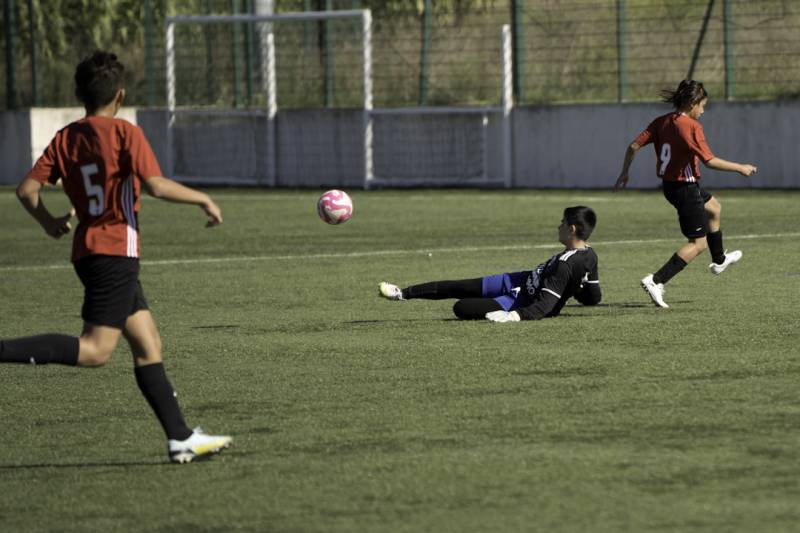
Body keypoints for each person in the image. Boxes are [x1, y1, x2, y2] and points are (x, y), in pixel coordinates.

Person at [0, 51, 232, 463]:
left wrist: (49, 223)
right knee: (95, 350)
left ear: (80, 95)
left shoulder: (66, 137)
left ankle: (180, 437)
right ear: (120, 95)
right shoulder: (125, 134)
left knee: (147, 342)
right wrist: (203, 198)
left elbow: (26, 191)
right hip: (115, 252)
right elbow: (156, 185)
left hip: (87, 252)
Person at [613, 79, 757, 308]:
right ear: (692, 103)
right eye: (702, 105)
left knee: (715, 208)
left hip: (671, 187)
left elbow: (633, 146)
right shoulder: (691, 126)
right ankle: (656, 280)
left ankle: (719, 260)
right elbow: (709, 161)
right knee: (698, 244)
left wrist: (624, 172)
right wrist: (741, 168)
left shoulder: (662, 121)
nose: (703, 111)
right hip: (685, 189)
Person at [378, 206, 601, 322]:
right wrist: (579, 290)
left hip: (517, 300)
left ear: (572, 229)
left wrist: (515, 316)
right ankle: (402, 293)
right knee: (461, 285)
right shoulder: (589, 254)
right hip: (517, 280)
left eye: (562, 223)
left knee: (461, 307)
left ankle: (405, 294)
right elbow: (593, 296)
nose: (558, 226)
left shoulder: (566, 264)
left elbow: (544, 306)